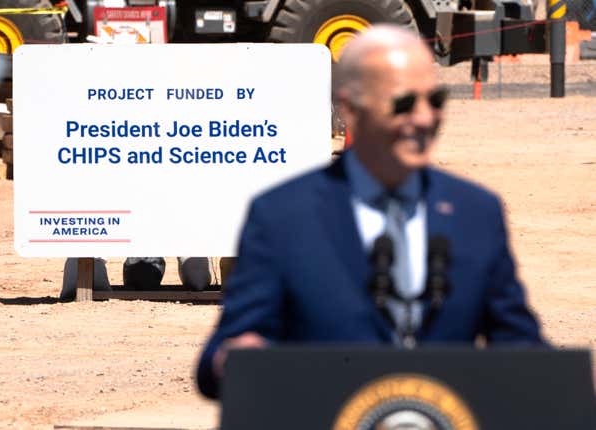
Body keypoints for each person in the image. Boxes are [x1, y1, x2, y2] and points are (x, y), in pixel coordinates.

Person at [196, 24, 544, 399]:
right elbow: (222, 354)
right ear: (350, 108)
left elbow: (519, 344)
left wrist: (565, 382)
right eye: (404, 103)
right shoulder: (281, 217)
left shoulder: (475, 213)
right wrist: (236, 357)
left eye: (435, 100)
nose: (425, 118)